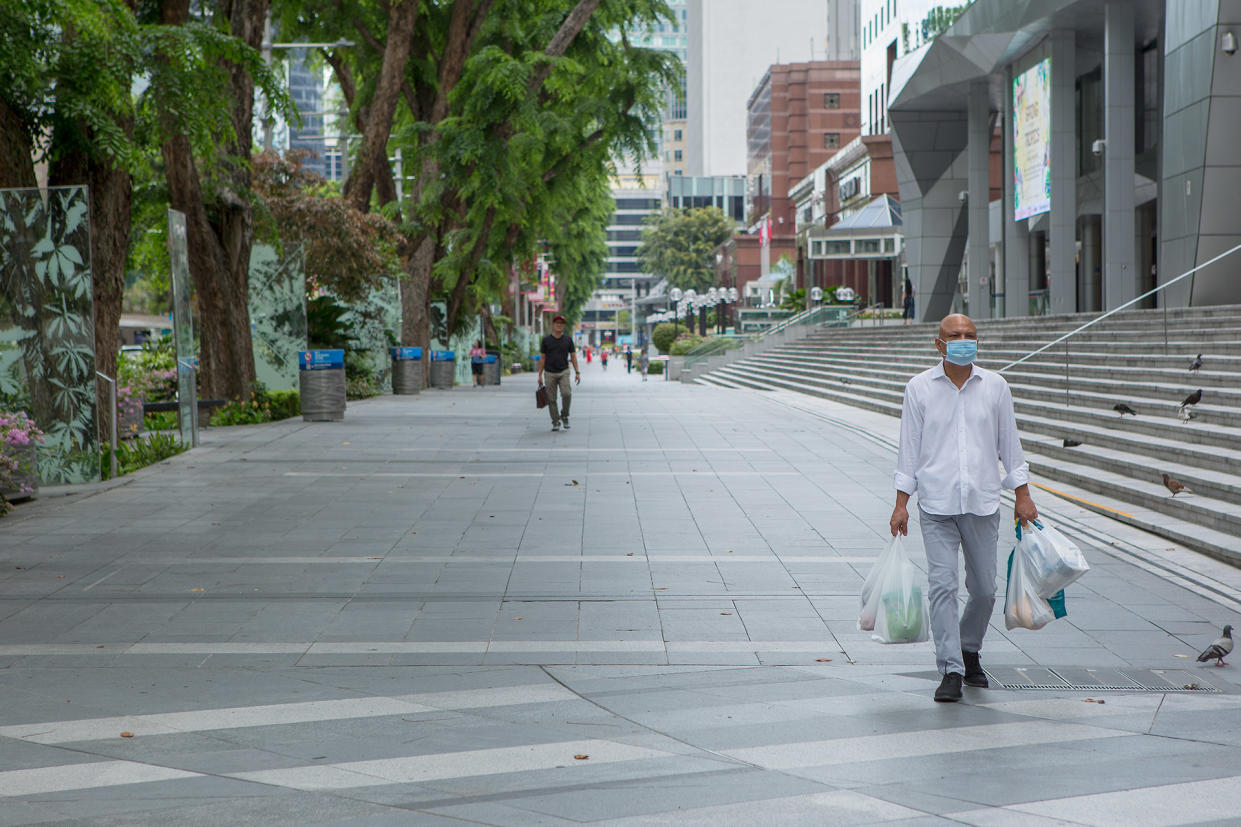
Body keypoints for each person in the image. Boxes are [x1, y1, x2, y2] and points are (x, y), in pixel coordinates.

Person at [889, 313, 1037, 703]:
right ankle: (951, 669)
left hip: (983, 503)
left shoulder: (995, 386)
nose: (963, 340)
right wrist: (901, 503)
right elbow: (909, 450)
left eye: (970, 334)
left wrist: (1023, 494)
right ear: (939, 343)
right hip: (936, 504)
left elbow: (1011, 445)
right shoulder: (919, 388)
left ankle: (969, 647)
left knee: (985, 590)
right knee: (943, 586)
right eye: (954, 335)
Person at [538, 315, 580, 431]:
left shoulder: (568, 340)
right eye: (557, 323)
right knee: (551, 399)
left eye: (561, 323)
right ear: (553, 325)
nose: (559, 325)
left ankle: (565, 415)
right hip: (549, 373)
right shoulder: (546, 340)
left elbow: (573, 357)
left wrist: (577, 372)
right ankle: (555, 421)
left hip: (564, 371)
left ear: (564, 326)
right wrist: (539, 375)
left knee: (567, 394)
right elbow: (542, 358)